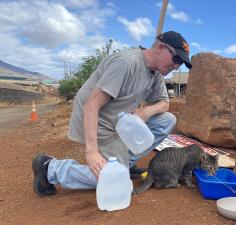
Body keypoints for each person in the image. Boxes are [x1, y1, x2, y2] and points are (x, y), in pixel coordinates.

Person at [31, 31, 192, 197]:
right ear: (160, 48)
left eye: (180, 63)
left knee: (166, 120)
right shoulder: (126, 63)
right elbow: (91, 105)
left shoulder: (156, 74)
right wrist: (92, 152)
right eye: (176, 59)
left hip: (120, 124)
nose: (176, 66)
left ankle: (124, 162)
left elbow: (165, 103)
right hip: (98, 122)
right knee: (118, 181)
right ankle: (50, 168)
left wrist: (146, 111)